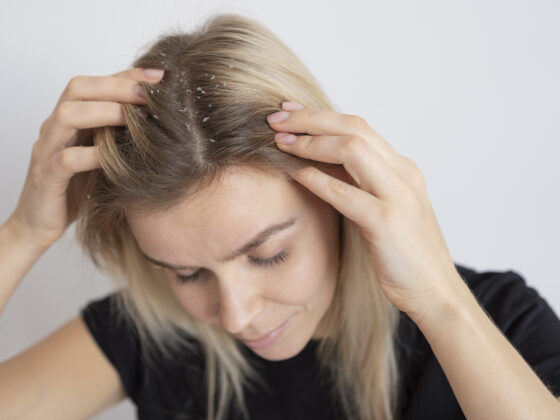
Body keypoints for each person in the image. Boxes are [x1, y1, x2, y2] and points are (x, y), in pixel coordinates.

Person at [0, 12, 559, 420]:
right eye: (186, 274)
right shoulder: (152, 332)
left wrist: (440, 300)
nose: (237, 315)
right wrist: (25, 232)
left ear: (338, 191)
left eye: (268, 253)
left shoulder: (497, 322)